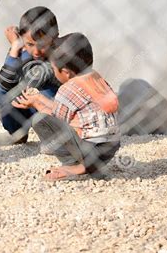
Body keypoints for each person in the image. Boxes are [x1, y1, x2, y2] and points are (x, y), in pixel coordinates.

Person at [12, 33, 120, 181]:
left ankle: (74, 164)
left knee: (39, 119)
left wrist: (36, 104)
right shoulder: (96, 78)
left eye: (54, 69)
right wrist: (40, 98)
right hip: (110, 147)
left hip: (89, 149)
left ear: (66, 72)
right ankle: (88, 166)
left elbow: (56, 117)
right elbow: (68, 110)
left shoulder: (68, 89)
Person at [0, 6, 61, 146]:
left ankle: (54, 139)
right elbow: (4, 83)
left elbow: (34, 80)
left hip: (52, 108)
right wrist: (15, 47)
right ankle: (17, 134)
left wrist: (18, 56)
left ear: (54, 38)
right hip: (29, 102)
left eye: (42, 44)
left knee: (42, 90)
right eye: (30, 44)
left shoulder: (59, 54)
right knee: (1, 90)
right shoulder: (21, 51)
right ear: (22, 39)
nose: (36, 51)